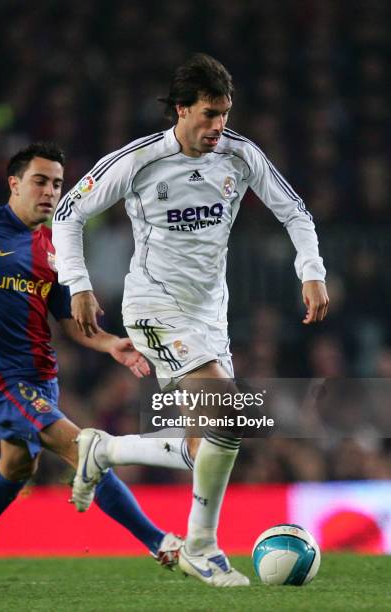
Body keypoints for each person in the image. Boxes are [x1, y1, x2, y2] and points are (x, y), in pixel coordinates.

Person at [52, 53, 329, 588]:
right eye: (208, 114)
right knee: (226, 415)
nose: (218, 126)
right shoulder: (139, 161)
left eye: (224, 114)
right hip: (152, 305)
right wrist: (78, 284)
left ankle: (102, 448)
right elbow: (69, 213)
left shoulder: (240, 156)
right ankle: (200, 548)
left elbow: (295, 212)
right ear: (181, 110)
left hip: (209, 315)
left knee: (209, 442)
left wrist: (311, 272)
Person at [0, 142, 183, 582]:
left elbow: (68, 320)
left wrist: (109, 345)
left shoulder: (55, 248)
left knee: (18, 465)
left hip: (42, 378)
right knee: (85, 451)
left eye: (58, 184)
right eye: (40, 181)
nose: (50, 191)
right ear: (14, 184)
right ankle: (161, 542)